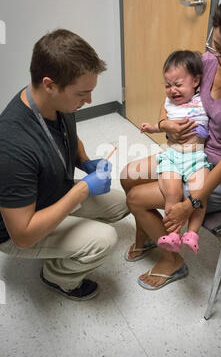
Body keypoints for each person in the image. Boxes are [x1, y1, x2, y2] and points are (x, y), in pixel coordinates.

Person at [121, 0, 221, 290]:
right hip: (190, 152)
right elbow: (173, 94)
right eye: (214, 46)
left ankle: (172, 262)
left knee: (135, 199)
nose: (217, 58)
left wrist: (192, 202)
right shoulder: (209, 59)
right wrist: (166, 124)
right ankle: (148, 239)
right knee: (128, 175)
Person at [0, 29, 128, 300]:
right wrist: (82, 190)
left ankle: (63, 236)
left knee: (121, 203)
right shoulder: (11, 146)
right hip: (17, 231)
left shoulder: (57, 104)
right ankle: (57, 277)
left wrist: (85, 162)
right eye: (83, 93)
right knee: (105, 239)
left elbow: (70, 136)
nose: (90, 101)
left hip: (52, 195)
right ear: (49, 84)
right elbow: (22, 235)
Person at [139, 50, 211, 255]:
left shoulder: (203, 100)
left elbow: (215, 121)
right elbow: (161, 126)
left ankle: (193, 234)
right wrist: (152, 127)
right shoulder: (168, 102)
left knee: (199, 193)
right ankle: (173, 234)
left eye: (178, 85)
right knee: (173, 192)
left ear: (196, 81)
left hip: (197, 156)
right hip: (172, 156)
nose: (172, 90)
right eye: (168, 85)